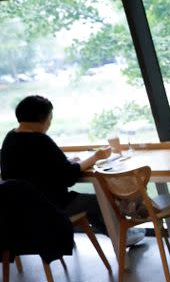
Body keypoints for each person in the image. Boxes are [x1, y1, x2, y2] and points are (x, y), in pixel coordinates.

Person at [0, 95, 144, 245]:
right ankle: (123, 237)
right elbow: (68, 177)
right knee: (102, 201)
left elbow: (37, 168)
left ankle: (122, 236)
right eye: (50, 118)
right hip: (51, 208)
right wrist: (95, 157)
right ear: (43, 118)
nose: (50, 122)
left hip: (21, 212)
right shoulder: (40, 140)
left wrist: (67, 163)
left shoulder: (10, 138)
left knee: (89, 205)